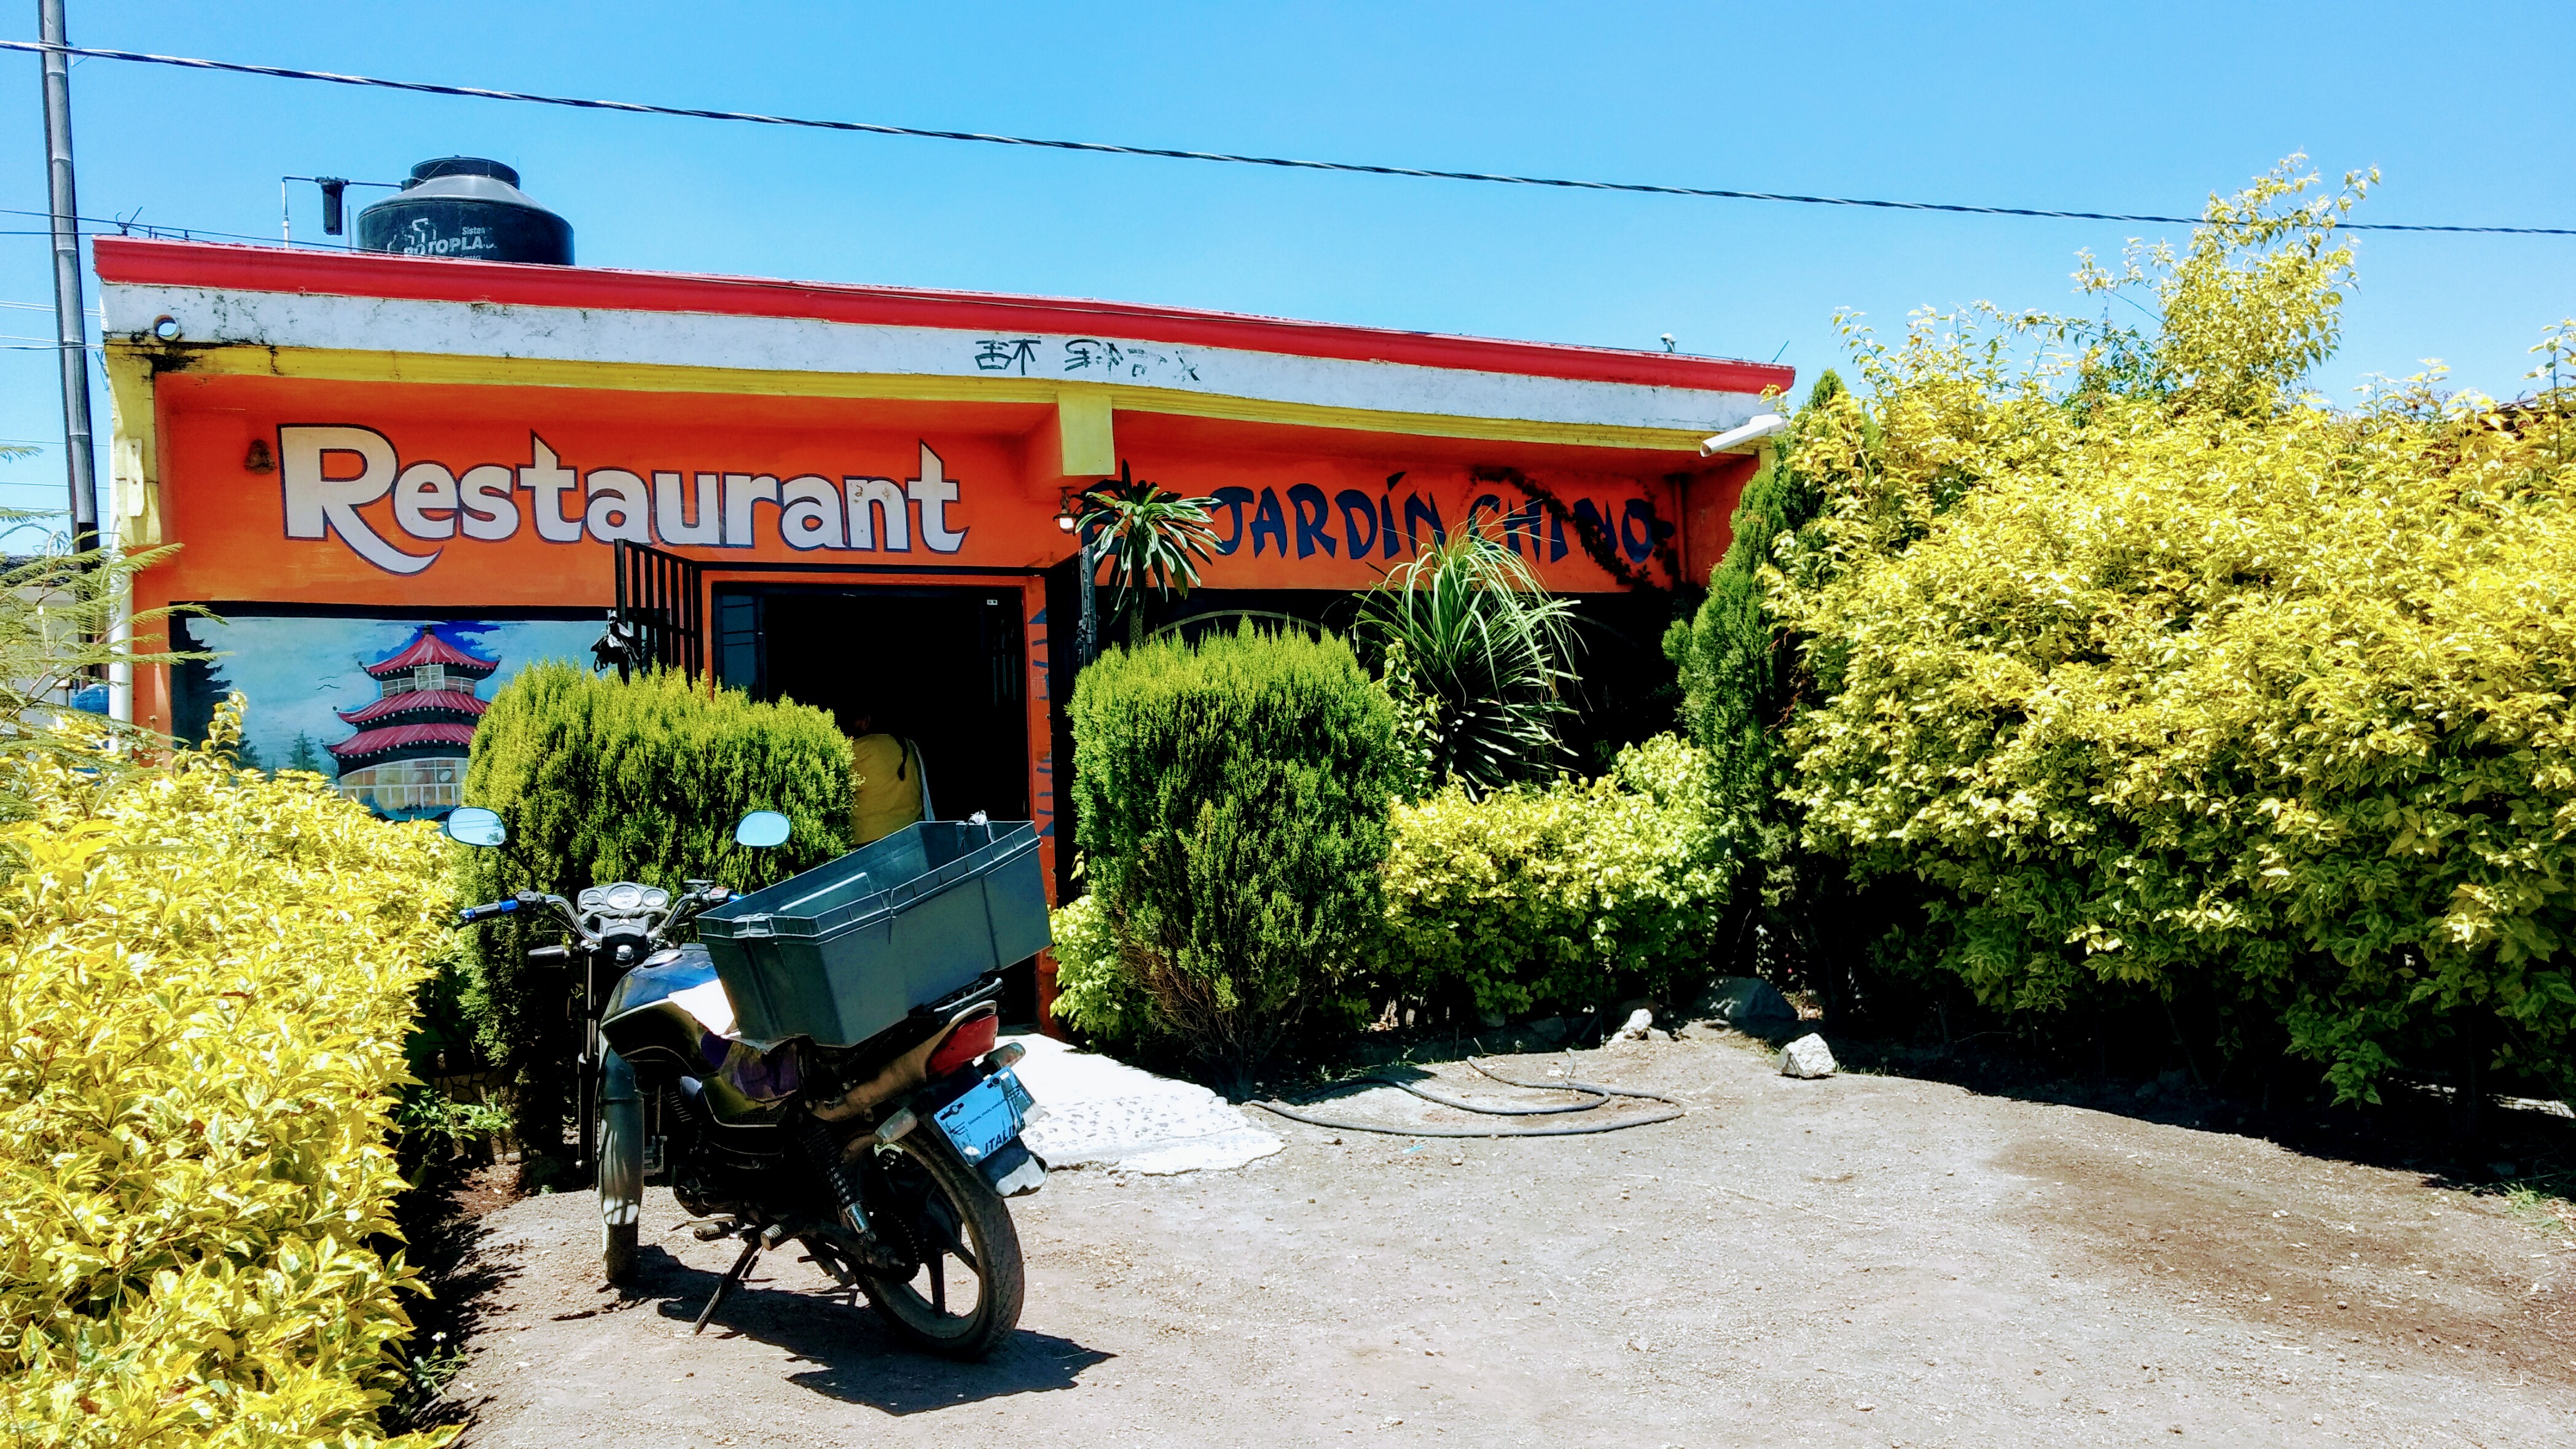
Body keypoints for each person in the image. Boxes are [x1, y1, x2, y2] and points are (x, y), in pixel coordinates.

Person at [847, 705, 933, 845]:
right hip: (913, 835)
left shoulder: (855, 750)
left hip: (867, 844)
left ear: (866, 721)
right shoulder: (909, 746)